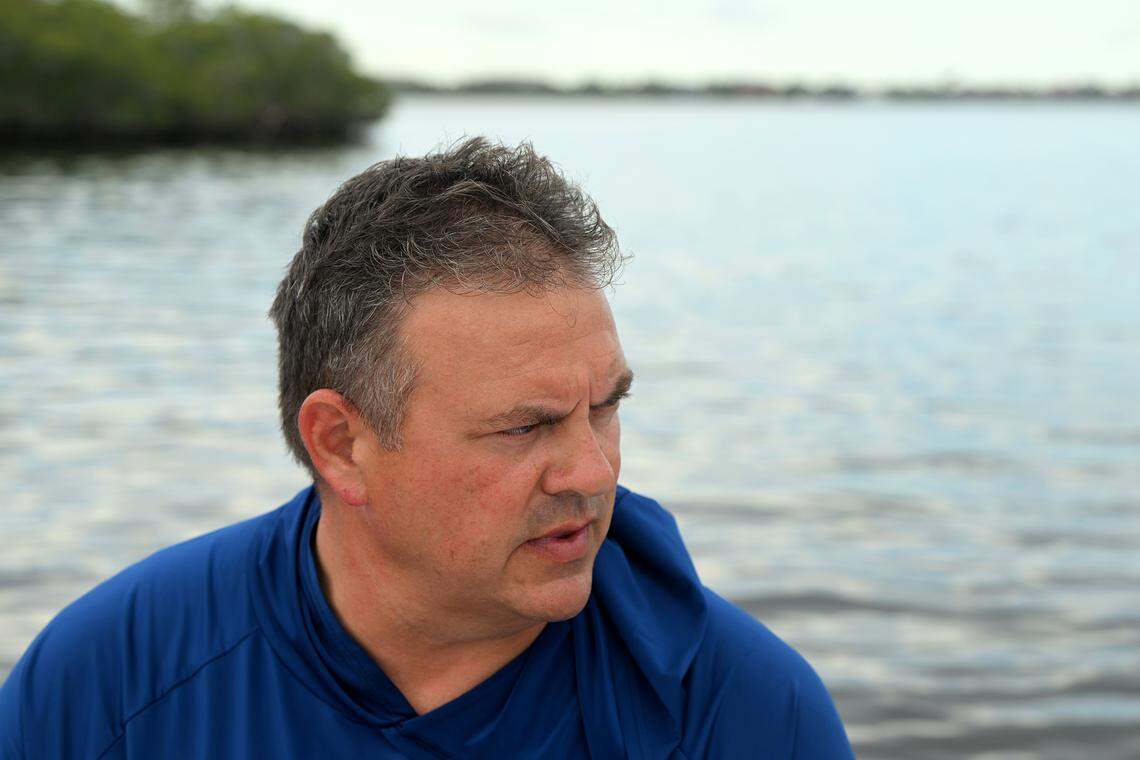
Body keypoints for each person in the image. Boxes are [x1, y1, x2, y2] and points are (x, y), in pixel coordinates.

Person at [0, 138, 853, 759]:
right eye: (526, 427)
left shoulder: (746, 713)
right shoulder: (116, 679)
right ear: (341, 444)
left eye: (605, 407)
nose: (595, 474)